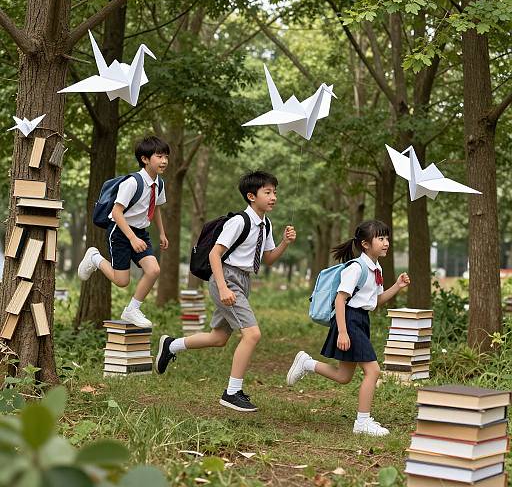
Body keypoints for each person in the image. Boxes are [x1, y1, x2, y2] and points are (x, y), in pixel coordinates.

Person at [156, 171, 296, 412]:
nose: (274, 197)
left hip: (243, 280)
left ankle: (171, 345)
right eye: (268, 192)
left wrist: (284, 242)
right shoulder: (240, 221)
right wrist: (222, 287)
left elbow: (269, 259)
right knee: (252, 334)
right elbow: (214, 254)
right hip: (226, 277)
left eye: (275, 192)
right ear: (252, 196)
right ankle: (232, 392)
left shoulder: (266, 224)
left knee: (218, 338)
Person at [286, 220, 410, 436]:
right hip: (349, 320)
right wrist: (343, 331)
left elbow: (376, 301)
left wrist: (397, 287)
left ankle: (307, 363)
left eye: (387, 238)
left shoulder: (376, 268)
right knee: (373, 370)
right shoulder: (356, 268)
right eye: (380, 238)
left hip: (361, 320)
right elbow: (340, 300)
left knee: (344, 376)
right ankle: (362, 423)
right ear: (365, 244)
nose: (386, 242)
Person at [77, 136, 169, 327]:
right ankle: (95, 257)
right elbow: (116, 212)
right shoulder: (133, 182)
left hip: (140, 232)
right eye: (159, 156)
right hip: (120, 231)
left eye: (166, 157)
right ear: (145, 159)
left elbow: (157, 208)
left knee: (153, 270)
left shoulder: (159, 184)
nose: (164, 161)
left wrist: (161, 233)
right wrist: (132, 238)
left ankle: (132, 310)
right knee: (122, 281)